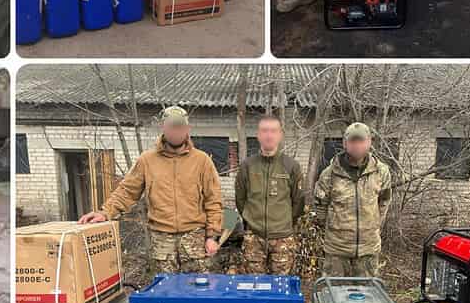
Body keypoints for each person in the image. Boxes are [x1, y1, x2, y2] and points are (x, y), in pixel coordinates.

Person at [79, 106, 223, 275]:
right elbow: (127, 191)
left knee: (198, 294)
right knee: (164, 293)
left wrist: (212, 237)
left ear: (187, 129)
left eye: (180, 127)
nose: (176, 131)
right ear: (164, 127)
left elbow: (214, 200)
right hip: (162, 242)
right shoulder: (147, 160)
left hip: (194, 240)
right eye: (172, 127)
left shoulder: (202, 161)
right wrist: (105, 212)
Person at [314, 122, 393, 278]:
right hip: (337, 249)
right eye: (353, 141)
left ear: (369, 142)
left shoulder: (381, 171)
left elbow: (384, 202)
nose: (357, 145)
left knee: (366, 296)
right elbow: (320, 206)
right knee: (334, 294)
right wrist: (334, 228)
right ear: (345, 143)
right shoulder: (330, 173)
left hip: (368, 249)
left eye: (361, 141)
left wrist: (373, 226)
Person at [234, 114, 305, 275]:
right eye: (264, 131)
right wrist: (251, 222)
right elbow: (240, 199)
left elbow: (298, 202)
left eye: (273, 131)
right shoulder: (248, 166)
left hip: (282, 238)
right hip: (254, 237)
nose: (269, 135)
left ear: (280, 135)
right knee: (254, 286)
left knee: (281, 287)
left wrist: (284, 222)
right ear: (258, 135)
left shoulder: (291, 166)